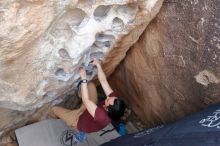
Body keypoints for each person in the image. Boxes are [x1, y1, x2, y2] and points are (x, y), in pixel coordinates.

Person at [51, 58, 125, 133]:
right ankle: (79, 95)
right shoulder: (114, 100)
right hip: (90, 108)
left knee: (54, 109)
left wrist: (83, 79)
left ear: (107, 109)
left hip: (79, 121)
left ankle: (56, 121)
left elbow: (86, 100)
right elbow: (103, 81)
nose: (108, 96)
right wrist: (98, 65)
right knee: (90, 85)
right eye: (111, 97)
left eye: (108, 100)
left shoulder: (102, 116)